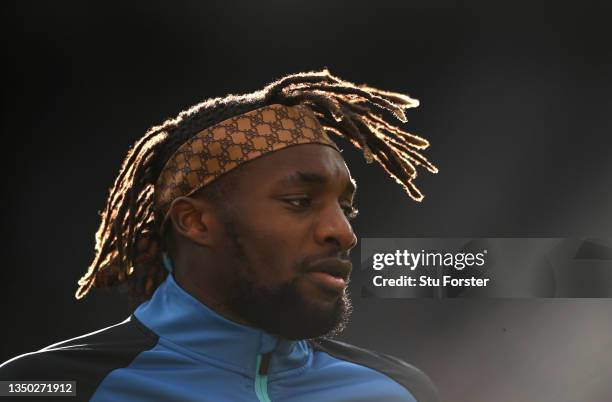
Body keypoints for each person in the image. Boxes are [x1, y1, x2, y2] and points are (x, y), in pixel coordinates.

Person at [1, 70, 439, 401]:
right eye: (299, 202)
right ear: (195, 222)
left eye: (347, 208)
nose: (342, 233)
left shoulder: (397, 391)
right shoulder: (47, 387)